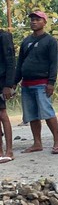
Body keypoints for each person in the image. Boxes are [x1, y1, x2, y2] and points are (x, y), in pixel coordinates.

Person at [14, 10, 58, 155]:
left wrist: (51, 82)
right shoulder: (26, 41)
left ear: (44, 22)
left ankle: (57, 141)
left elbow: (54, 63)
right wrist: (14, 82)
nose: (34, 22)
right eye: (32, 19)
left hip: (42, 82)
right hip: (27, 83)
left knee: (47, 112)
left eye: (37, 19)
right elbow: (20, 63)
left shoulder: (50, 41)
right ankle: (37, 143)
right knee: (32, 115)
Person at [0, 25, 16, 163]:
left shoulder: (4, 36)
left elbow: (11, 61)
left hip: (2, 81)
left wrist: (8, 85)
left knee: (2, 114)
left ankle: (9, 150)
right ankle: (0, 151)